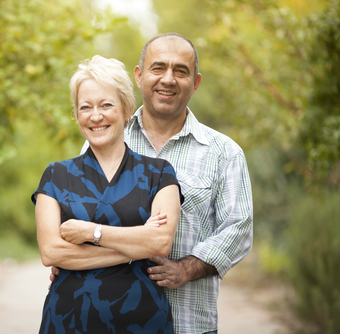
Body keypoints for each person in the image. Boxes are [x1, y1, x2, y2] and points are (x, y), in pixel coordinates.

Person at [51, 33, 253, 334]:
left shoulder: (223, 153)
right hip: (104, 320)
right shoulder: (102, 137)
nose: (168, 79)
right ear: (139, 75)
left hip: (188, 322)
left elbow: (238, 228)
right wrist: (69, 256)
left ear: (195, 83)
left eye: (180, 71)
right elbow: (73, 224)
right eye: (158, 68)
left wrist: (186, 268)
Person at [32, 55, 183, 333]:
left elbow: (160, 242)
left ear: (127, 110)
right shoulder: (55, 176)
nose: (95, 115)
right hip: (68, 321)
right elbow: (51, 252)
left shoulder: (159, 174)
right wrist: (135, 248)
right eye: (85, 107)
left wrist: (92, 233)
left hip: (144, 321)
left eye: (106, 105)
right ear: (76, 115)